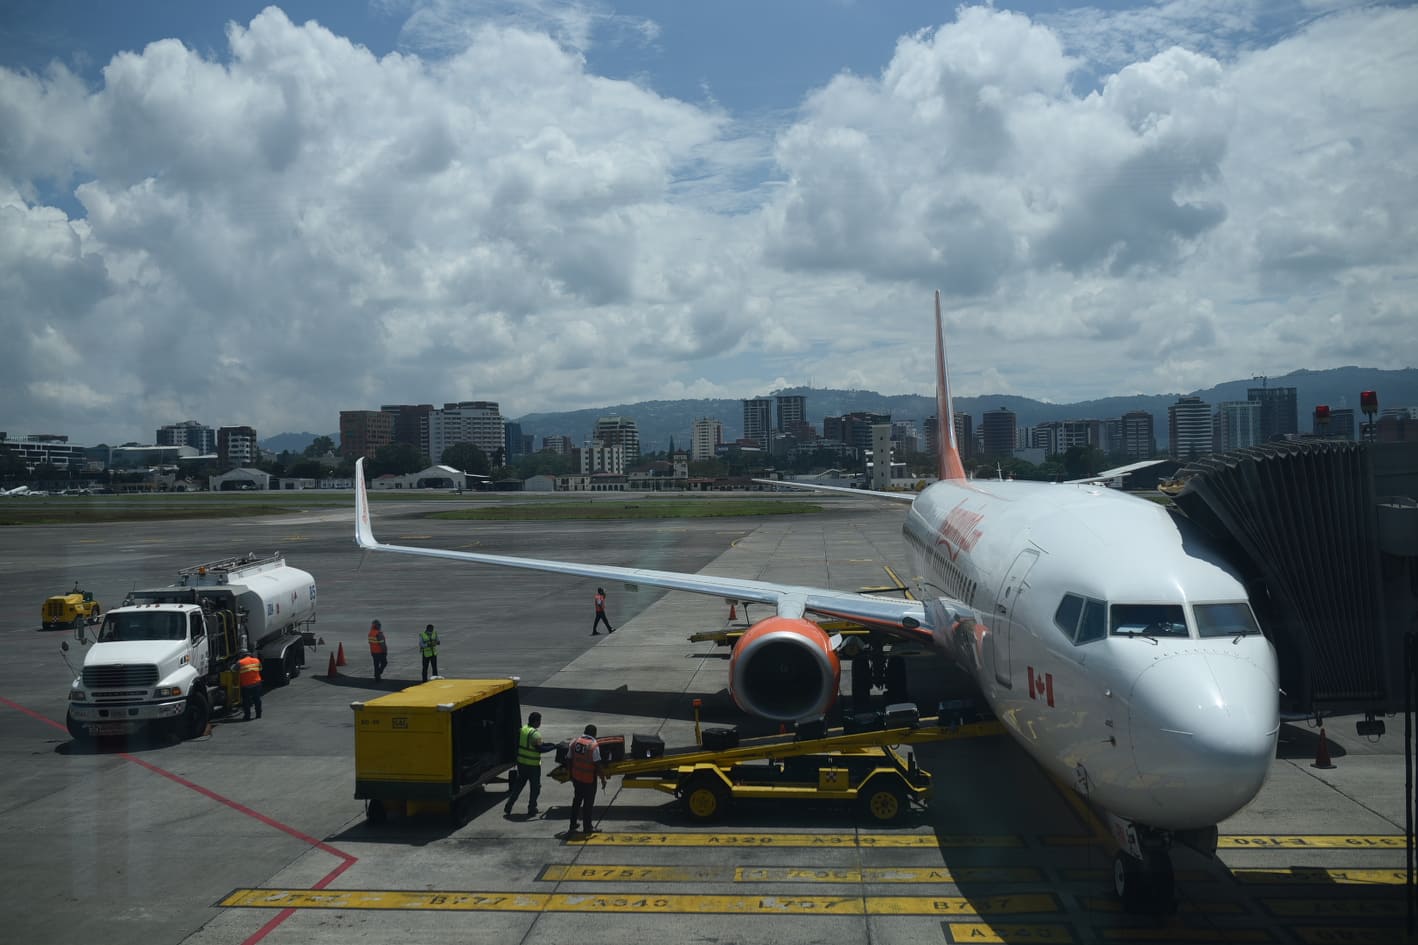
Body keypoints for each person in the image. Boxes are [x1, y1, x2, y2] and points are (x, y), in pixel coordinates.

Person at [503, 711, 555, 817]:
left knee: (518, 786)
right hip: (533, 766)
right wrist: (553, 747)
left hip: (522, 764)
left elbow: (536, 744)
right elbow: (541, 749)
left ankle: (509, 805)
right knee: (535, 788)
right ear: (536, 722)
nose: (540, 723)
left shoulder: (523, 729)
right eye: (539, 721)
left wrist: (551, 744)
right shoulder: (535, 734)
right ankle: (531, 808)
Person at [567, 723, 608, 834]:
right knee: (588, 804)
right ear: (594, 733)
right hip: (589, 780)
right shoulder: (593, 745)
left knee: (577, 801)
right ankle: (587, 827)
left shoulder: (575, 742)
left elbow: (569, 759)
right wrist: (603, 779)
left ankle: (572, 824)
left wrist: (570, 774)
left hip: (576, 778)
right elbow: (598, 764)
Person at [236, 648, 263, 721]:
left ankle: (247, 716)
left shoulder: (240, 662)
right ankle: (258, 714)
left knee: (246, 702)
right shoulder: (256, 660)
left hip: (246, 685)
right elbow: (260, 669)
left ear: (241, 655)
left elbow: (234, 670)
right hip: (257, 684)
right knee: (257, 699)